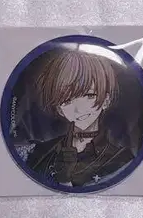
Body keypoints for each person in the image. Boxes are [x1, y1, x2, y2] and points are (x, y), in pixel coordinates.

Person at [21, 46, 134, 187]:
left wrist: (65, 181)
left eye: (89, 95)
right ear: (59, 109)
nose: (78, 109)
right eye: (67, 100)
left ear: (106, 100)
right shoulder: (41, 152)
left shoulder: (120, 158)